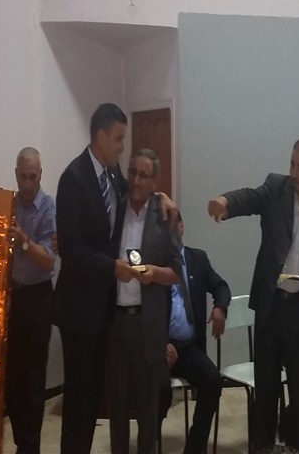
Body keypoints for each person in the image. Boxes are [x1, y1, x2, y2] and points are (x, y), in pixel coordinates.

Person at [54, 103, 177, 454]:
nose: (123, 147)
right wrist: (112, 268)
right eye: (119, 139)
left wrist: (162, 196)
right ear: (101, 135)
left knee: (95, 398)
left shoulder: (111, 174)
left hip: (103, 311)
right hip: (79, 311)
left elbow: (137, 191)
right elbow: (70, 249)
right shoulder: (74, 178)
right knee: (79, 401)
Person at [207, 137, 299, 454]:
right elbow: (250, 198)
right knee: (266, 390)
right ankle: (263, 447)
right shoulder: (276, 187)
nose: (294, 172)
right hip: (271, 307)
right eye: (292, 164)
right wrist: (225, 202)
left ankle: (297, 447)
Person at [0, 147, 56, 454]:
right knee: (11, 377)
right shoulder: (5, 206)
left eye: (33, 177)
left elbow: (49, 260)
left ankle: (30, 446)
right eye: (22, 176)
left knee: (33, 379)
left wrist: (25, 242)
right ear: (15, 175)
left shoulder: (48, 208)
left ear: (40, 175)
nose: (27, 183)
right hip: (9, 297)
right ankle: (21, 441)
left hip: (37, 298)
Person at [107, 149, 182, 454]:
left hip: (148, 326)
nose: (136, 181)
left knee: (148, 410)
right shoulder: (116, 207)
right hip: (116, 323)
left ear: (154, 182)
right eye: (133, 172)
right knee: (116, 407)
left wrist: (154, 274)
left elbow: (177, 273)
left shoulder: (165, 216)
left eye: (144, 175)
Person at [160, 212, 231, 454]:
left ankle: (195, 447)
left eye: (171, 226)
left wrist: (220, 307)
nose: (167, 232)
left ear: (181, 227)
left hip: (189, 348)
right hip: (161, 347)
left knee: (213, 380)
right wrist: (161, 342)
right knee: (160, 391)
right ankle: (151, 441)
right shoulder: (154, 263)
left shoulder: (197, 259)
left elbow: (221, 286)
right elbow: (144, 310)